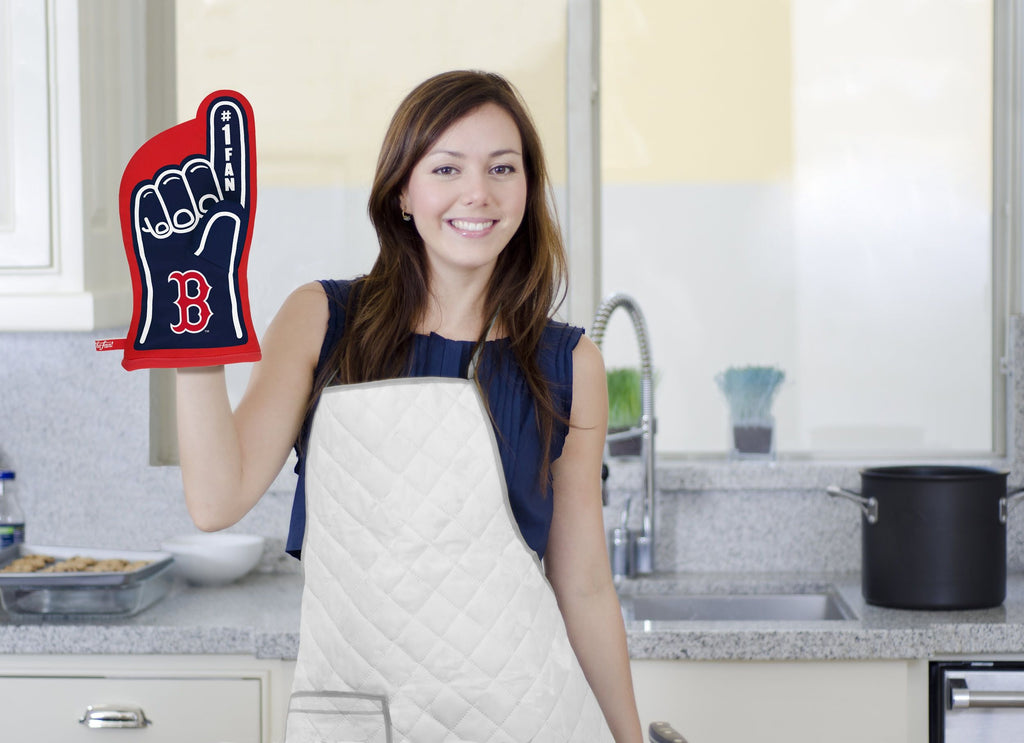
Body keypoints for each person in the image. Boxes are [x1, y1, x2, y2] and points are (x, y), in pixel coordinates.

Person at [176, 69, 644, 742]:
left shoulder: (569, 364)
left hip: (526, 717)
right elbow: (216, 501)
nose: (477, 192)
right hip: (359, 716)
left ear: (527, 189)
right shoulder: (322, 320)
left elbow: (586, 585)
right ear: (402, 190)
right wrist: (190, 329)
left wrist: (629, 739)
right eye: (446, 168)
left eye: (502, 168)